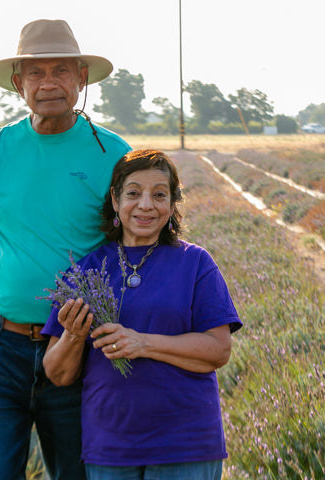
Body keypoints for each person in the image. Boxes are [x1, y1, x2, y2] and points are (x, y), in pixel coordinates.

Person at [0, 18, 131, 480]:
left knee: (76, 473)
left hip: (75, 345)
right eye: (36, 73)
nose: (49, 84)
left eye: (61, 70)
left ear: (81, 78)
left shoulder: (113, 154)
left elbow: (132, 253)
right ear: (17, 83)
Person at [42, 149, 242, 480]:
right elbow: (58, 373)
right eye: (133, 193)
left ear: (173, 203)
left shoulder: (195, 263)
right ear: (115, 199)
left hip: (186, 444)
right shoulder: (86, 271)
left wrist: (142, 343)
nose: (146, 205)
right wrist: (74, 335)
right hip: (110, 446)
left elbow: (218, 350)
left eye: (159, 195)